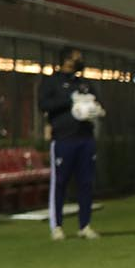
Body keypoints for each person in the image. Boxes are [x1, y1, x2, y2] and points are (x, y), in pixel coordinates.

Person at [40, 45, 103, 240]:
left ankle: (85, 225)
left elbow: (97, 102)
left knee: (86, 182)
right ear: (66, 60)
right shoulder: (51, 82)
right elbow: (43, 105)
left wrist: (96, 110)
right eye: (77, 58)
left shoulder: (84, 83)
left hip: (85, 138)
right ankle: (57, 226)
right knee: (60, 183)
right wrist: (69, 101)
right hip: (63, 139)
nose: (80, 61)